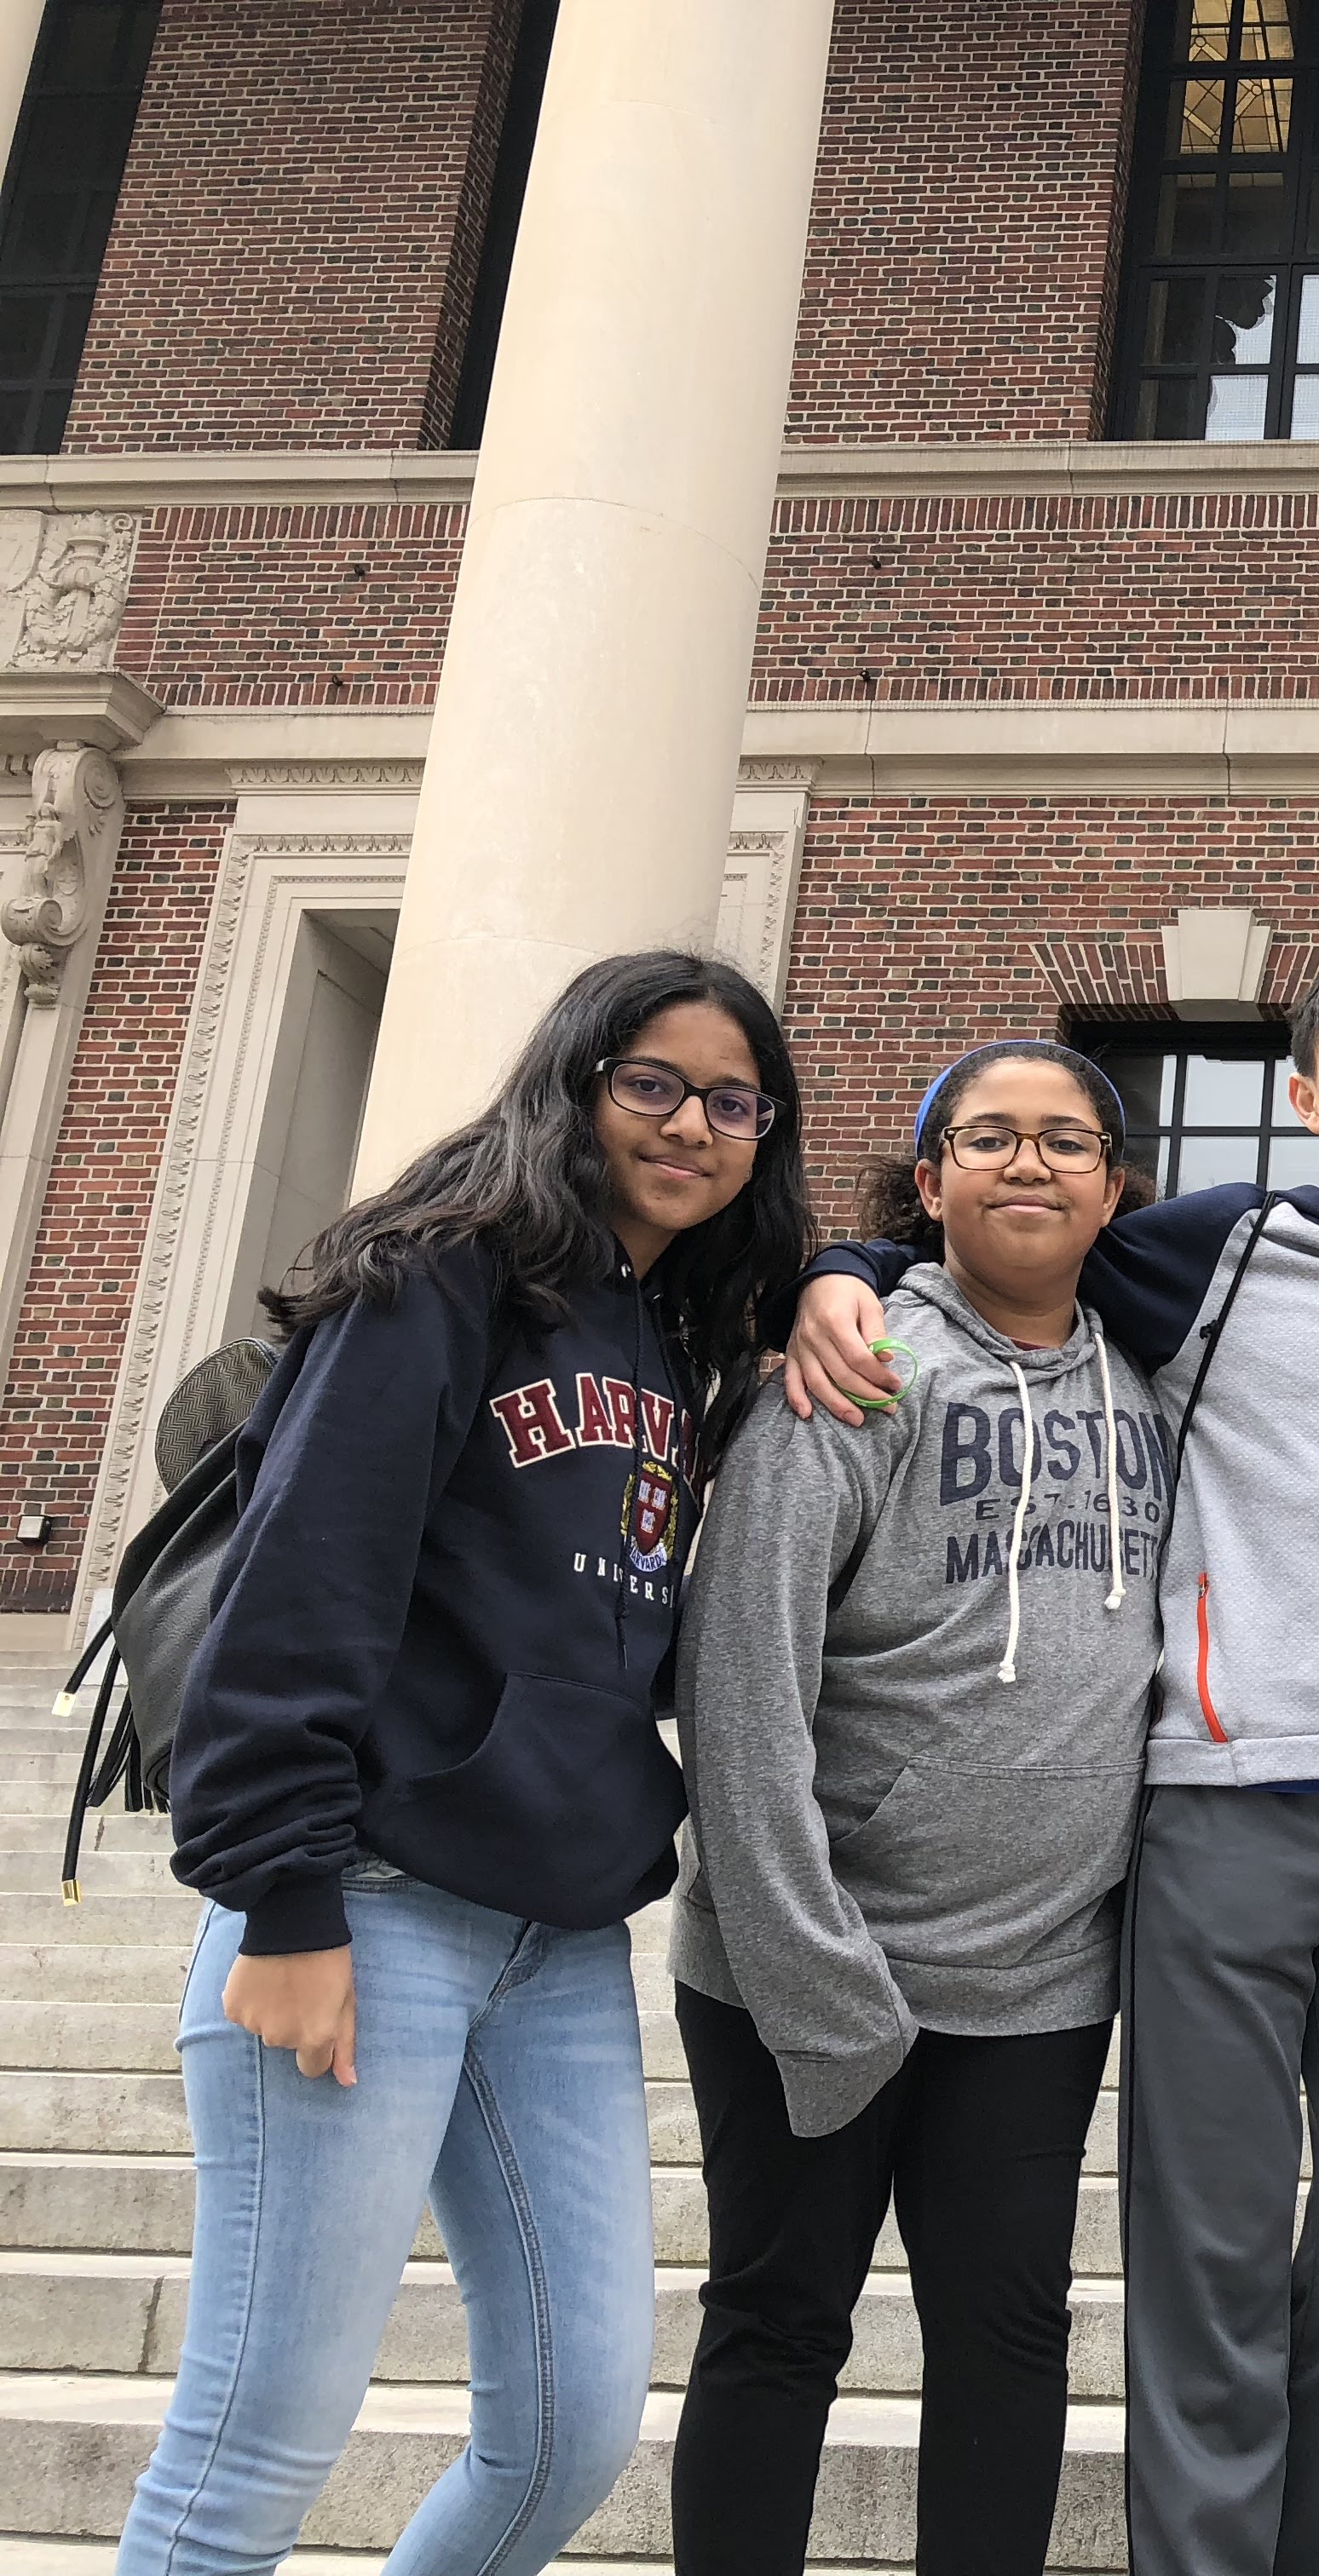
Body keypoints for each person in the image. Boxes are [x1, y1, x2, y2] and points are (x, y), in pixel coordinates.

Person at [775, 951, 1319, 2576]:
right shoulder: (1213, 1249)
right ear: (1305, 1101)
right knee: (1205, 2263)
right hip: (1220, 1816)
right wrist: (841, 1267)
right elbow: (1009, 1230)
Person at [124, 951, 806, 2575]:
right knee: (252, 2452)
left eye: (732, 1101)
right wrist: (284, 1907)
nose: (692, 1124)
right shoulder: (437, 1278)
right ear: (573, 1082)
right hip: (360, 1905)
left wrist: (826, 1288)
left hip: (557, 1942)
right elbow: (301, 1597)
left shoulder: (669, 1325)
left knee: (568, 2438)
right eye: (652, 1082)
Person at [668, 1040, 1156, 2574]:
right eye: (989, 1137)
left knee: (1008, 2339)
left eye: (1066, 1141)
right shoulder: (850, 1374)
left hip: (1036, 1983)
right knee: (776, 2323)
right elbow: (740, 1682)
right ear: (930, 1179)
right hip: (810, 1962)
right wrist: (809, 1969)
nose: (1029, 1164)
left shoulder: (1151, 1384)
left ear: (1116, 1189)